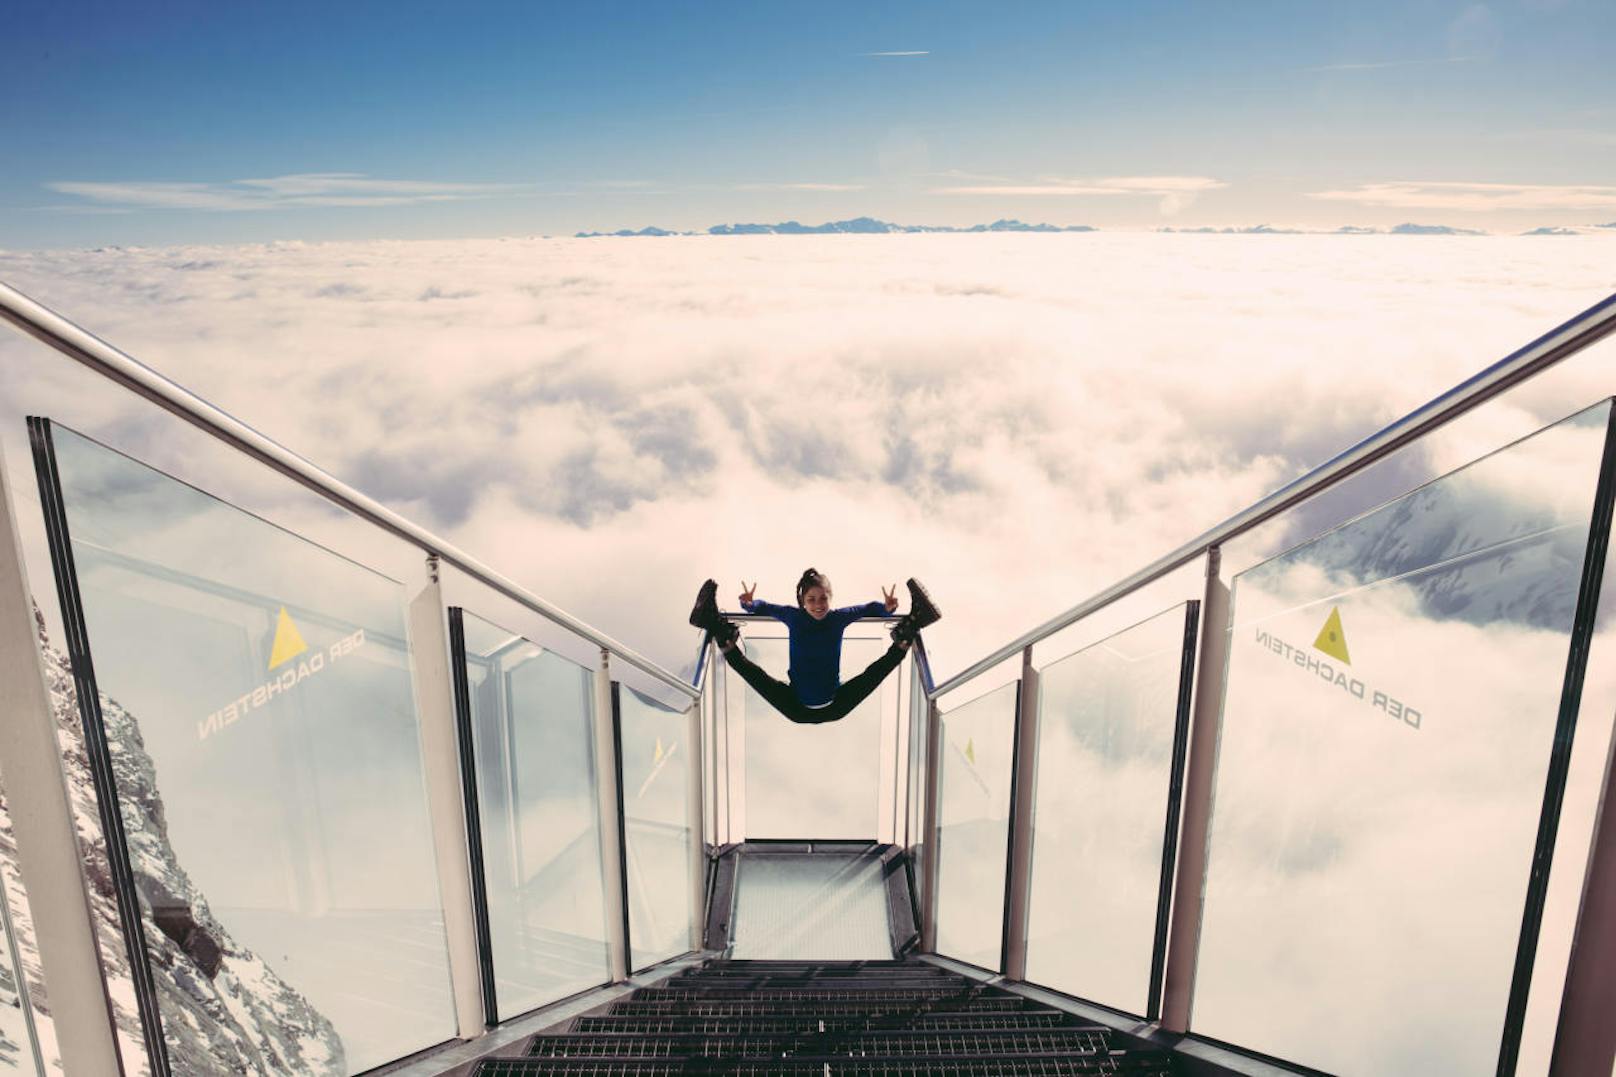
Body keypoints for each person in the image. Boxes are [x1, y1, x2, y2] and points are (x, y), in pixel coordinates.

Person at [688, 568, 940, 725]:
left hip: (834, 703)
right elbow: (764, 608)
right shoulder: (792, 616)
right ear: (802, 601)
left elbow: (867, 609)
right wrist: (750, 605)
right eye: (811, 600)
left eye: (823, 599)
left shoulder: (838, 617)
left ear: (831, 598)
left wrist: (886, 609)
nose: (818, 604)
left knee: (873, 675)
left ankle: (916, 622)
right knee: (756, 676)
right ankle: (714, 625)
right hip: (796, 705)